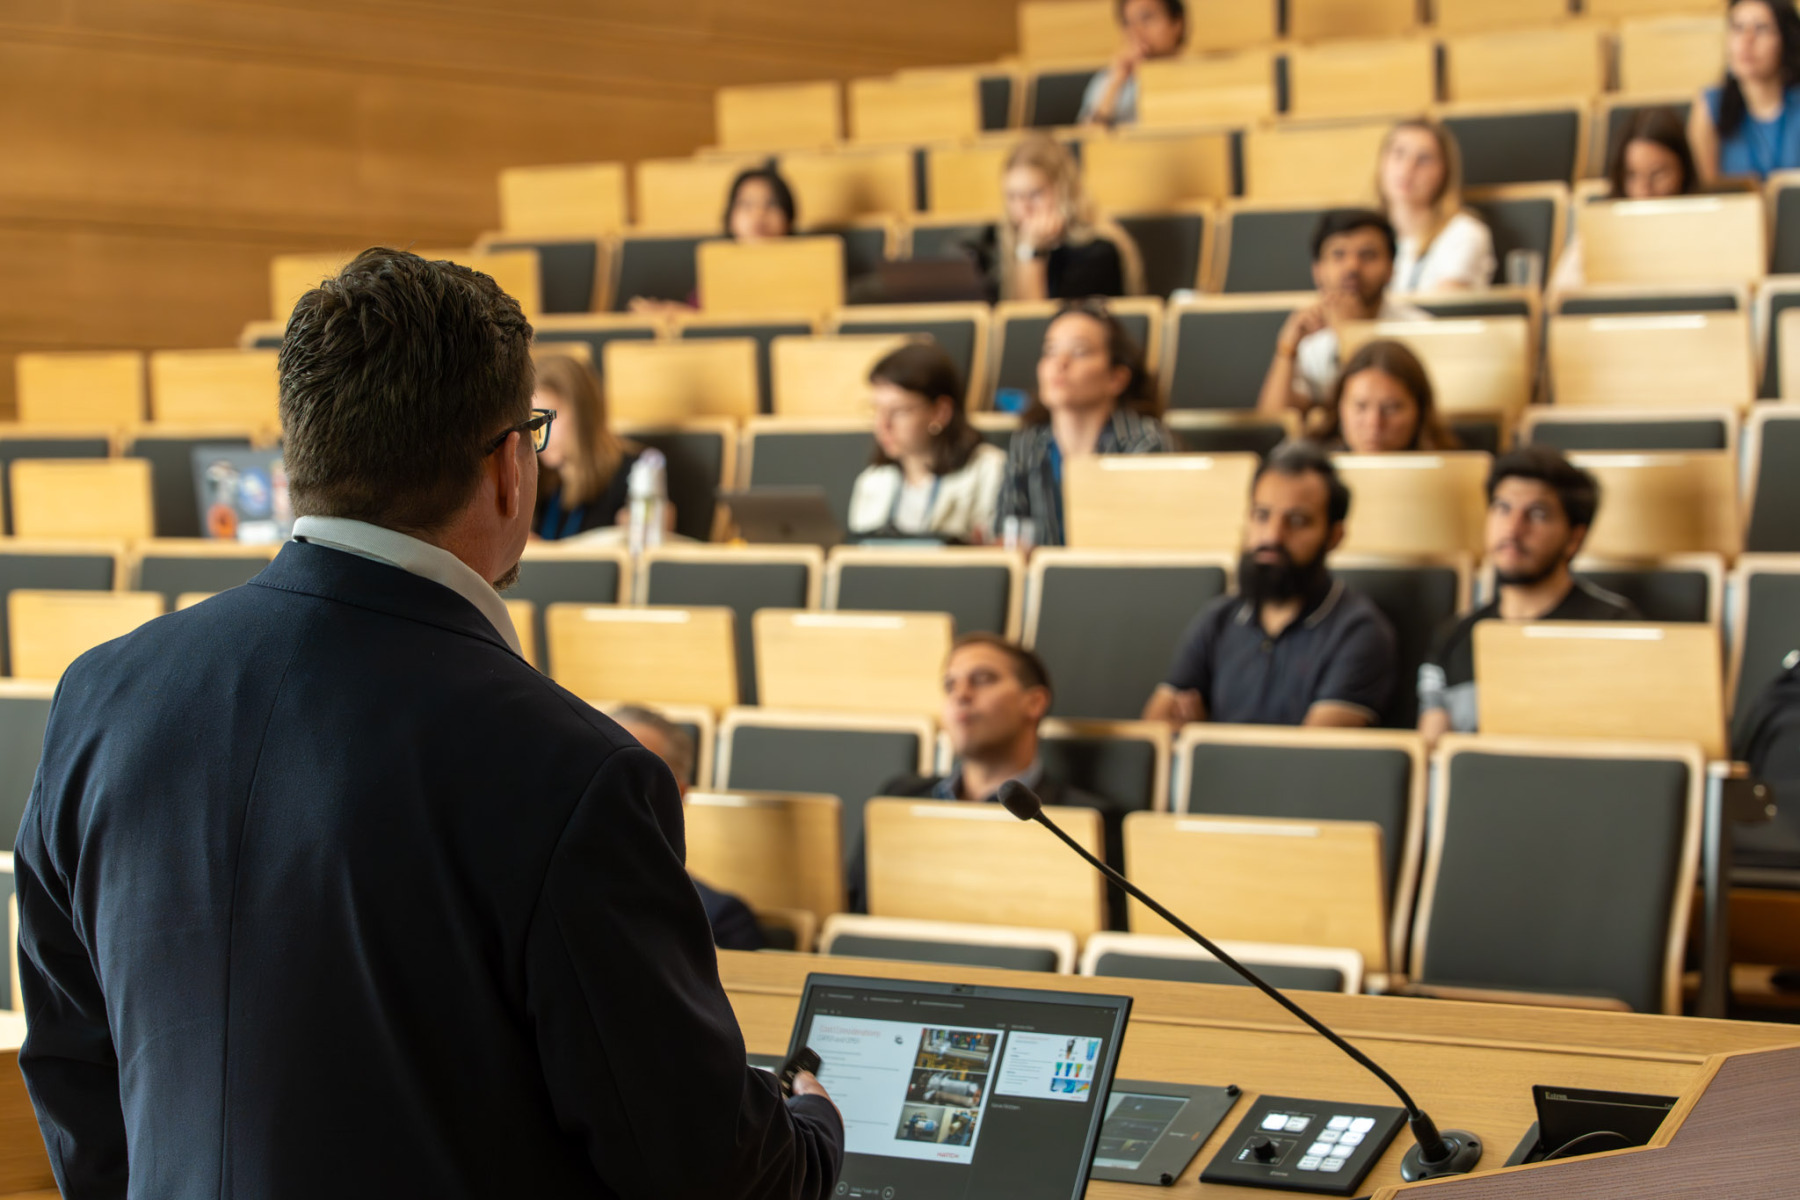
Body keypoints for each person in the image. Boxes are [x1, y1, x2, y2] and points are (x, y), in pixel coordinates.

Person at [12, 248, 842, 1198]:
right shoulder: (573, 773)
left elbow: (76, 1077)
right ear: (509, 467)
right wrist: (817, 1124)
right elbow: (708, 1175)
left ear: (303, 453)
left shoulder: (100, 695)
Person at [850, 634, 1127, 919]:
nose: (960, 695)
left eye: (982, 679)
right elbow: (856, 915)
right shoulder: (897, 798)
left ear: (1034, 702)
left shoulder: (1089, 821)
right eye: (950, 685)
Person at [1143, 442, 1398, 729]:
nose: (1273, 536)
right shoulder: (1218, 617)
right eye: (1262, 515)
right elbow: (1156, 726)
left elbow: (1315, 750)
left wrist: (1201, 735)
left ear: (1334, 536)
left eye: (1297, 521)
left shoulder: (1358, 631)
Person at [1418, 446, 1638, 747]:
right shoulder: (1454, 635)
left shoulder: (1616, 629)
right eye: (1502, 508)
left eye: (1537, 514)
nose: (1513, 529)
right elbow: (1432, 749)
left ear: (1574, 539)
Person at [994, 301, 1178, 548]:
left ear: (1117, 378)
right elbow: (1007, 535)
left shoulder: (1145, 442)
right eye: (1050, 351)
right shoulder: (1027, 441)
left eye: (1079, 351)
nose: (1060, 363)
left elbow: (1144, 542)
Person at [611, 704, 766, 952]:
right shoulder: (551, 893)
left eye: (634, 776)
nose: (612, 789)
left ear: (678, 793)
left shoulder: (720, 920)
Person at [1258, 209, 1427, 418]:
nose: (1352, 267)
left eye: (1368, 255)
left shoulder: (1421, 329)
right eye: (1338, 255)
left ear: (1391, 269)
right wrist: (1287, 349)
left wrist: (1347, 332)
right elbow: (1275, 423)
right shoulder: (1309, 335)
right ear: (1317, 271)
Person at [846, 341, 1008, 540]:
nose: (882, 424)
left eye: (899, 411)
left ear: (941, 412)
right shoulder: (872, 480)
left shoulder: (990, 470)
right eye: (876, 409)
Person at [1549, 108, 1700, 294]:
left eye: (1658, 174)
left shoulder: (1707, 232)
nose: (1644, 191)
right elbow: (1559, 298)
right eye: (1632, 175)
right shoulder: (1599, 234)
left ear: (1684, 171)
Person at [629, 163, 796, 313]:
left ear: (788, 219)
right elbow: (703, 318)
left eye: (772, 204)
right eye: (746, 204)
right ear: (730, 219)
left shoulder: (801, 270)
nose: (759, 214)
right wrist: (676, 314)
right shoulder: (717, 270)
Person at [997, 134, 1144, 302]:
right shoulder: (1007, 243)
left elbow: (1033, 318)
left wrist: (1031, 253)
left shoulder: (1099, 251)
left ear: (1064, 192)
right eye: (1013, 196)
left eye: (1035, 194)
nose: (1024, 208)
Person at [1376, 118, 1496, 294]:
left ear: (1444, 171)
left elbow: (1443, 307)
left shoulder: (1464, 233)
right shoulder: (1366, 236)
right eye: (1399, 154)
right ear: (1382, 163)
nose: (1407, 168)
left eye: (1424, 159)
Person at [530, 354, 640, 539]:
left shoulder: (636, 473)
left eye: (549, 418)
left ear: (584, 414)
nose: (538, 433)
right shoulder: (538, 480)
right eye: (534, 420)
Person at [1691, 0, 1800, 183]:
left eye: (1762, 29)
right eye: (1738, 28)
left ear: (1786, 39)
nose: (1747, 40)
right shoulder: (1710, 106)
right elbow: (1708, 191)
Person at [1307, 339, 1460, 454]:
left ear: (1420, 409)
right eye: (1361, 406)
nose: (1374, 423)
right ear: (1340, 406)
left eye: (1391, 408)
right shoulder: (1308, 468)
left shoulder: (1457, 470)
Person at [1079, 0, 1188, 128]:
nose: (1136, 31)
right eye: (1127, 23)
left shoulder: (1197, 77)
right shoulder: (1108, 79)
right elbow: (1085, 137)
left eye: (1146, 18)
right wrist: (1115, 83)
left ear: (1177, 23)